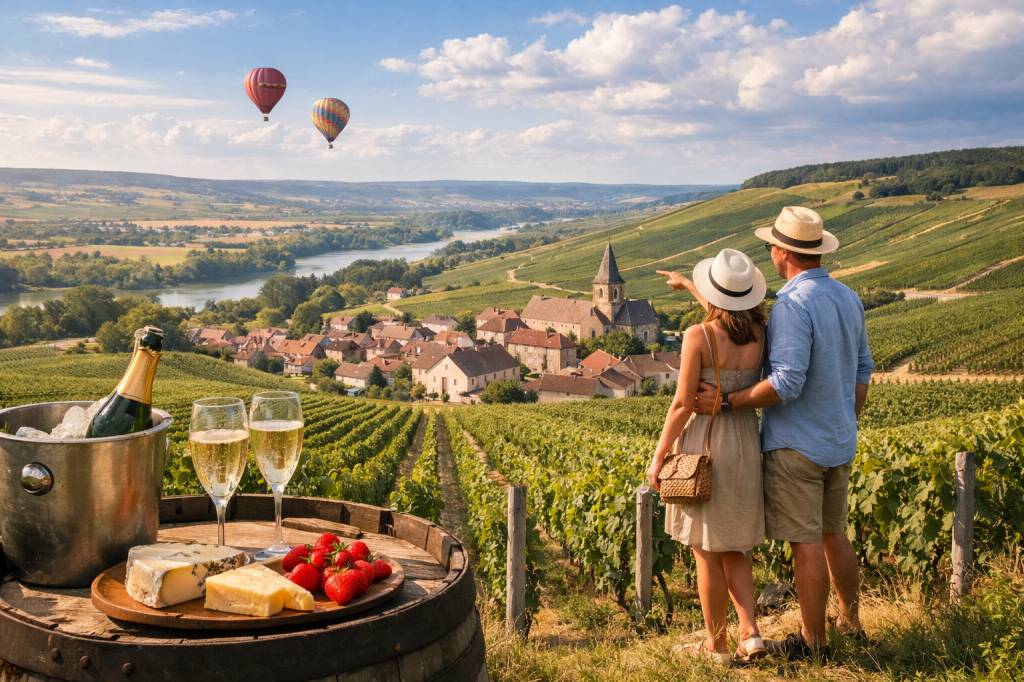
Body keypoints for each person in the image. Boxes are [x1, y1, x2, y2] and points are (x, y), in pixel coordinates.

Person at [694, 206, 874, 660]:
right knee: (835, 534)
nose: (770, 252)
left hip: (797, 446)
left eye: (772, 246)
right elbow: (864, 368)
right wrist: (846, 418)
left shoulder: (792, 305)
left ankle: (814, 644)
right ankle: (851, 623)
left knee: (807, 542)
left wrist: (729, 401)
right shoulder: (847, 296)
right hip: (839, 439)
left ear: (783, 252)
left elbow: (788, 381)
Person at [648, 248, 769, 666]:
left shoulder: (697, 336)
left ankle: (716, 644)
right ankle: (750, 633)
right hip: (745, 442)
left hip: (707, 444)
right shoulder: (759, 331)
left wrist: (659, 454)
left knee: (704, 549)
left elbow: (682, 404)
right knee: (735, 547)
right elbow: (728, 315)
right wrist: (686, 286)